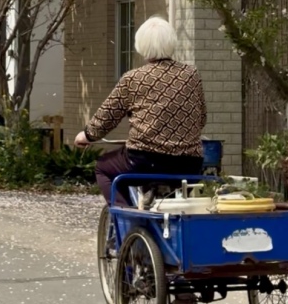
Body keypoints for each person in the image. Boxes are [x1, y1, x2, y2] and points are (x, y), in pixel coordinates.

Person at [74, 16, 206, 206]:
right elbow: (201, 119)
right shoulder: (191, 75)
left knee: (103, 167)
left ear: (141, 44)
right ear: (171, 42)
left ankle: (126, 219)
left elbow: (107, 116)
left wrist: (87, 135)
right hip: (189, 164)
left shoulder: (134, 78)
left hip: (145, 161)